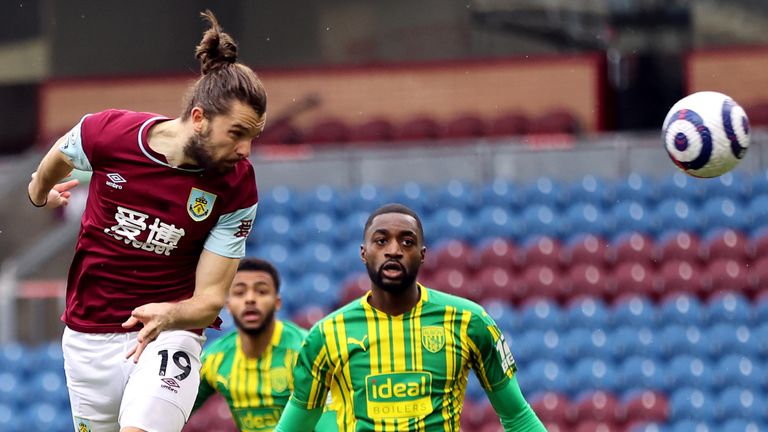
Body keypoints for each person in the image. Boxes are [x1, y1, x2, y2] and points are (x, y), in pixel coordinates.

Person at [26, 10, 266, 432]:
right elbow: (57, 159)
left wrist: (171, 317)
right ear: (198, 118)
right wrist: (39, 192)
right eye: (237, 133)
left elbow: (210, 299)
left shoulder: (236, 186)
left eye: (253, 137)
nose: (246, 149)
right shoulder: (108, 133)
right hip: (87, 338)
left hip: (168, 336)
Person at [275, 203, 545, 431]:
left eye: (407, 241)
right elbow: (295, 426)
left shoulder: (469, 322)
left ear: (422, 255)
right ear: (363, 253)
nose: (394, 250)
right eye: (381, 241)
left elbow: (517, 416)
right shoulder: (327, 334)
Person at [192, 258, 337, 432]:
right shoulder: (215, 359)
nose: (250, 299)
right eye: (239, 292)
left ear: (277, 303)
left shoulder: (307, 354)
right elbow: (172, 409)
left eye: (261, 291)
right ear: (228, 306)